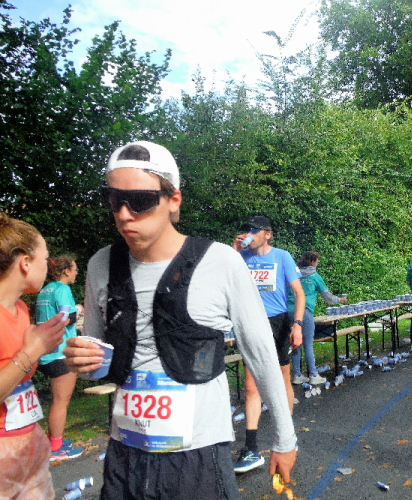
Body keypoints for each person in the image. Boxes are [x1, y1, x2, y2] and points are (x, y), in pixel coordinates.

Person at [63, 141, 296, 499]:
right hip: (125, 455)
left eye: (140, 201)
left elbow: (261, 353)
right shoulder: (100, 264)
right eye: (114, 199)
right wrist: (82, 361)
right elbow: (97, 362)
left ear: (173, 200)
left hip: (198, 456)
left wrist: (284, 439)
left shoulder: (221, 262)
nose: (124, 214)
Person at [0, 213, 68, 499]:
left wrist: (47, 346)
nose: (47, 265)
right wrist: (32, 351)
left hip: (29, 449)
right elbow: (25, 357)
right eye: (45, 258)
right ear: (25, 262)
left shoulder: (21, 308)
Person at [233, 215, 304, 473]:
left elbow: (299, 293)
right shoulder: (240, 257)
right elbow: (223, 278)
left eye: (254, 230)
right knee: (251, 386)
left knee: (282, 379)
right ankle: (251, 448)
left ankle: (286, 436)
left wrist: (297, 325)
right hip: (251, 322)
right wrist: (234, 250)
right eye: (246, 230)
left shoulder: (282, 256)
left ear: (268, 233)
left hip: (278, 322)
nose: (249, 234)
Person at [34, 254, 83, 461]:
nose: (76, 273)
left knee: (57, 401)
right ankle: (56, 447)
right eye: (75, 269)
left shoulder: (45, 289)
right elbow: (64, 318)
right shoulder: (63, 289)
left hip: (45, 351)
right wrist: (78, 310)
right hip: (61, 352)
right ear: (66, 271)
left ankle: (52, 441)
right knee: (61, 401)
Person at [288, 251, 345, 384]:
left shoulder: (294, 274)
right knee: (308, 343)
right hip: (304, 310)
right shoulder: (314, 276)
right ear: (313, 262)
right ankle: (313, 375)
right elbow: (328, 297)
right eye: (317, 261)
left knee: (295, 343)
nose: (318, 263)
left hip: (289, 310)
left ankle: (297, 375)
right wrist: (340, 300)